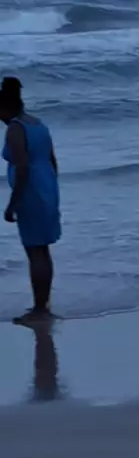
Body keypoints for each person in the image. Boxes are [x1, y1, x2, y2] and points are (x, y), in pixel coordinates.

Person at [0, 77, 61, 323]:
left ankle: (39, 309)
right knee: (42, 250)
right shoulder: (38, 124)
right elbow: (52, 161)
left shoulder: (15, 128)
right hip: (47, 187)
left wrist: (13, 203)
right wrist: (51, 190)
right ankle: (43, 304)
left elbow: (23, 167)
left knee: (34, 251)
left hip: (30, 192)